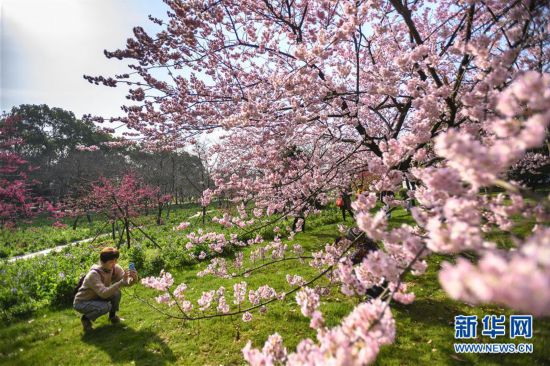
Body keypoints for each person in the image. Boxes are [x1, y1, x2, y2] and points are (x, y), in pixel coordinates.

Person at [73, 247, 138, 332]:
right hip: (83, 302)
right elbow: (104, 293)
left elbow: (126, 282)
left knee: (116, 293)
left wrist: (134, 278)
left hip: (97, 296)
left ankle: (112, 317)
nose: (114, 264)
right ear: (102, 262)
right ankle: (85, 319)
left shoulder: (114, 268)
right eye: (111, 262)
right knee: (105, 307)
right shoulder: (93, 274)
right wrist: (120, 283)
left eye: (115, 261)